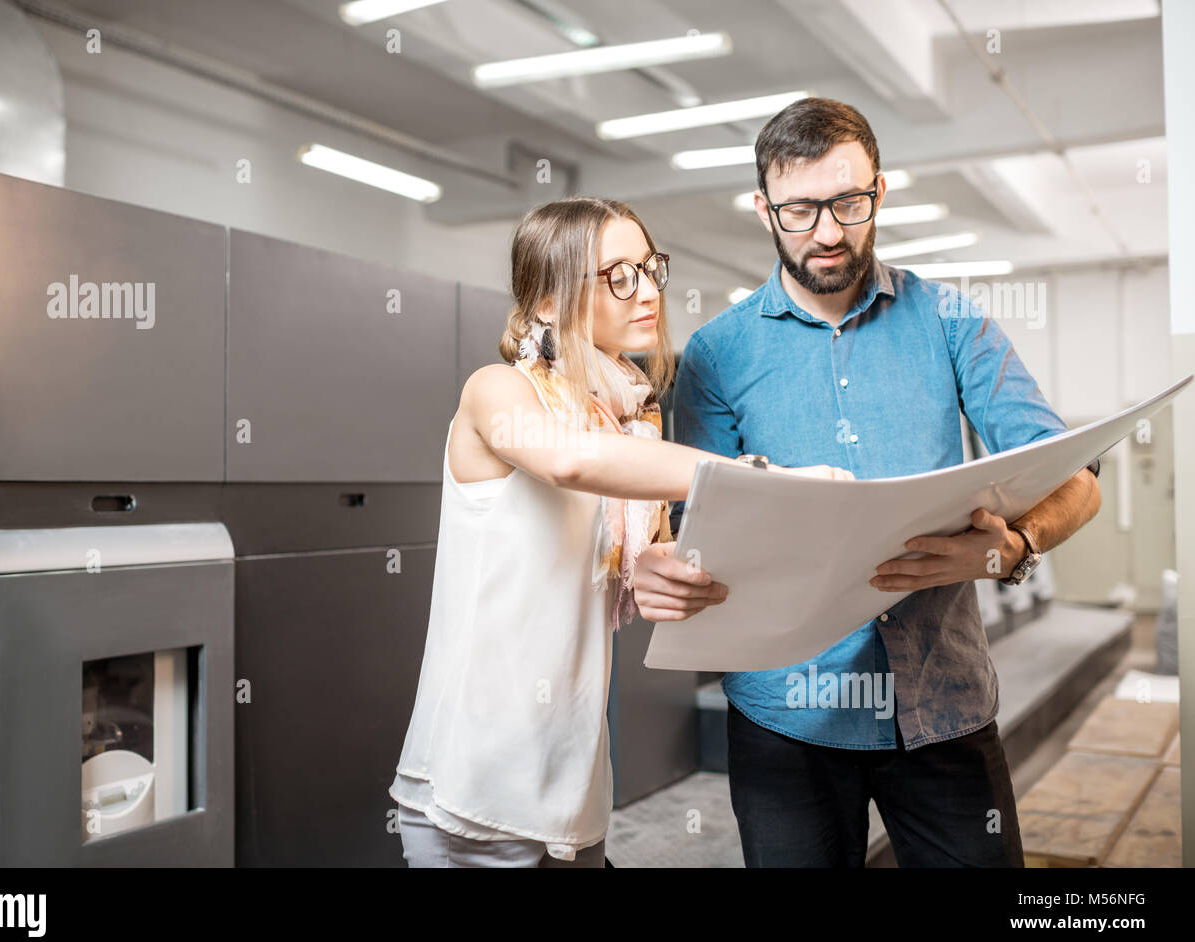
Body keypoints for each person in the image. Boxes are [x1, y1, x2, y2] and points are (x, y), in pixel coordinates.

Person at [633, 96, 1102, 867]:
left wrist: (1012, 545)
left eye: (849, 202)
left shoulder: (950, 321)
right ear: (763, 208)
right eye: (799, 210)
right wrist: (665, 566)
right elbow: (697, 528)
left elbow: (1075, 474)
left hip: (943, 706)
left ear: (880, 191)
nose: (827, 232)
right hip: (786, 717)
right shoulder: (716, 354)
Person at [388, 196, 853, 868]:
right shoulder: (498, 393)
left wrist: (671, 575)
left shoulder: (635, 422)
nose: (648, 291)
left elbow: (640, 565)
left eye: (649, 268)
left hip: (574, 784)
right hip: (476, 782)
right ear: (547, 301)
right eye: (617, 276)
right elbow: (569, 460)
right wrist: (764, 476)